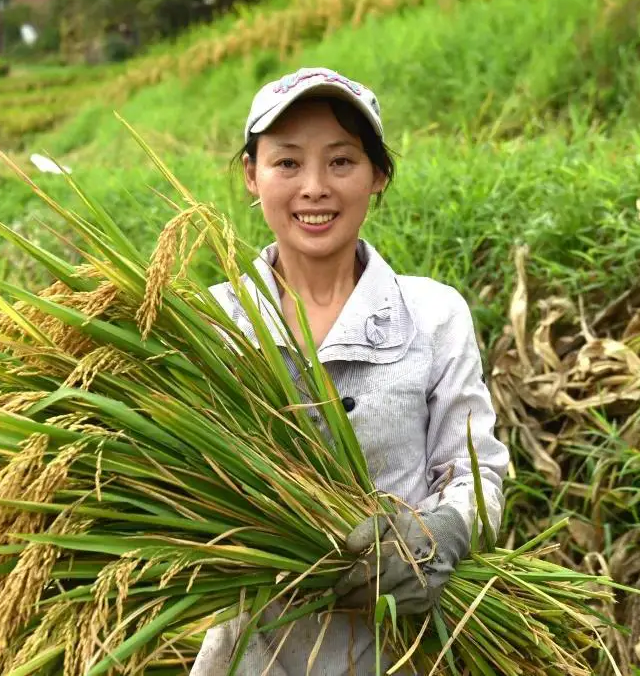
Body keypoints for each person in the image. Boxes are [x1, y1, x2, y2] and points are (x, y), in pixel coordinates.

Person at [190, 67, 510, 676]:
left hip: (407, 648)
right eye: (287, 164)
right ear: (251, 176)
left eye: (341, 162)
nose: (314, 188)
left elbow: (479, 475)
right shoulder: (212, 322)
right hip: (254, 655)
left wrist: (439, 535)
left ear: (378, 176)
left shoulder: (434, 315)